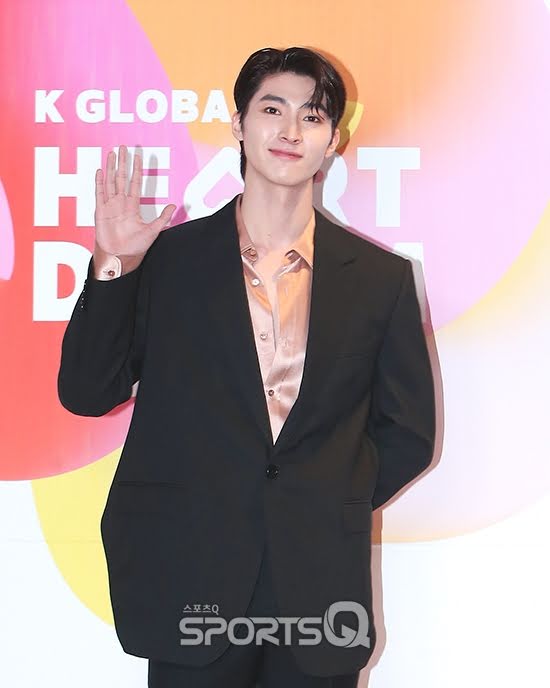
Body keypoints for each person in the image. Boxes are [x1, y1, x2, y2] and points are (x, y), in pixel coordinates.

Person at [58, 46, 436, 688]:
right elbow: (88, 392)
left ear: (333, 141)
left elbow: (409, 433)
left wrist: (324, 497)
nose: (291, 130)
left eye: (312, 116)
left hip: (316, 587)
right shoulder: (168, 261)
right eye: (272, 109)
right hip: (190, 575)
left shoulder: (381, 280)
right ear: (238, 124)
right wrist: (114, 264)